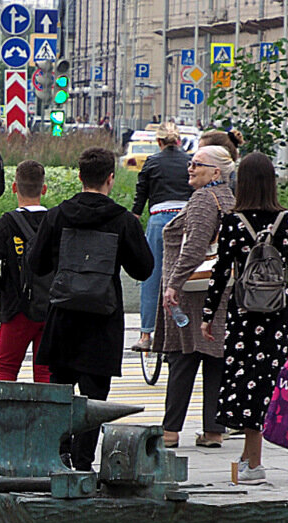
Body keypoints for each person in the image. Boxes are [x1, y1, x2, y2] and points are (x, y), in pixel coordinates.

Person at [29, 147, 154, 471]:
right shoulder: (123, 220)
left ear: (80, 176)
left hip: (63, 318)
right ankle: (83, 465)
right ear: (110, 179)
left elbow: (36, 263)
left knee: (60, 394)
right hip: (102, 320)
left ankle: (58, 457)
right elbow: (143, 268)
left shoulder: (56, 215)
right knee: (94, 398)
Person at [201, 152, 288, 483]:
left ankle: (254, 464)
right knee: (268, 380)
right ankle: (248, 456)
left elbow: (221, 272)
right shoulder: (286, 221)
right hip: (278, 314)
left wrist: (208, 315)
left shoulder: (233, 222)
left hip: (244, 315)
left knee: (244, 380)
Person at [156, 145, 235, 450]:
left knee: (183, 358)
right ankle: (214, 430)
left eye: (197, 164)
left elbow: (194, 247)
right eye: (190, 163)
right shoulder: (229, 197)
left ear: (216, 171)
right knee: (215, 358)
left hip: (195, 293)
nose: (190, 168)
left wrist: (173, 283)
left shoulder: (204, 198)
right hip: (221, 289)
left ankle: (170, 431)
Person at [0, 160, 50, 459]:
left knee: (6, 370)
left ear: (15, 187)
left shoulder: (6, 223)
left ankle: (3, 437)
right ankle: (46, 436)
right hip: (50, 309)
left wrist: (6, 287)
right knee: (45, 372)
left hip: (16, 310)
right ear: (43, 189)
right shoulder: (55, 220)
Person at [130, 121, 192, 352]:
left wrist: (135, 215)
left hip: (159, 220)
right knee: (186, 276)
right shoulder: (190, 161)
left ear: (158, 142)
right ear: (178, 140)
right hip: (186, 220)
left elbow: (141, 194)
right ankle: (186, 330)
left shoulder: (152, 162)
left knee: (151, 276)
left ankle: (146, 335)